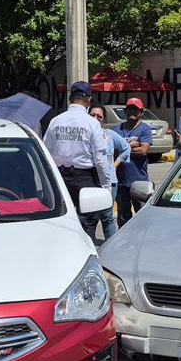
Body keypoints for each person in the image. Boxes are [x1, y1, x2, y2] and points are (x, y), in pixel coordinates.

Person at [43, 82, 115, 243]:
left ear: (70, 98)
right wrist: (106, 186)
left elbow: (46, 152)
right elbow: (100, 159)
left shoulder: (56, 121)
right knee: (87, 224)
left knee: (61, 222)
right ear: (89, 99)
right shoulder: (92, 123)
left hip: (59, 178)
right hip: (85, 178)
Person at [89, 105, 130, 241]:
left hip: (109, 182)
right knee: (90, 217)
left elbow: (126, 148)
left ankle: (110, 247)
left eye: (99, 116)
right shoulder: (85, 134)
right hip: (90, 181)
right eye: (92, 115)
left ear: (103, 119)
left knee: (107, 218)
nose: (95, 118)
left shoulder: (109, 134)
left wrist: (116, 164)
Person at [115, 98, 154, 225]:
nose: (132, 111)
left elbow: (143, 151)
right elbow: (111, 151)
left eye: (135, 109)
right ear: (125, 111)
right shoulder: (117, 129)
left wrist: (122, 148)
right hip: (120, 181)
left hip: (139, 181)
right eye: (130, 108)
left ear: (141, 112)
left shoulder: (144, 129)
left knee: (143, 216)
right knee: (123, 217)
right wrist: (130, 145)